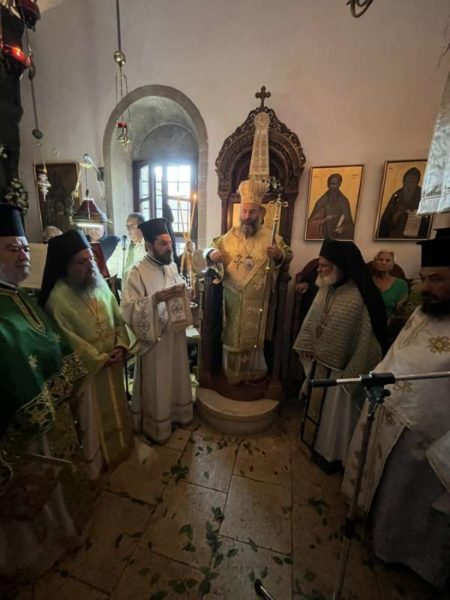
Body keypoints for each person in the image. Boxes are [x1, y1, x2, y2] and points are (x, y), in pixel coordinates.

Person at [343, 228, 450, 589]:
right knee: (385, 489)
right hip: (389, 412)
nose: (426, 288)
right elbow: (397, 352)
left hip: (427, 438)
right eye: (424, 279)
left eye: (437, 279)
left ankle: (398, 554)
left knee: (408, 498)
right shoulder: (423, 311)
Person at [0, 204, 90, 581]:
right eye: (12, 249)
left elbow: (52, 338)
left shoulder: (21, 296)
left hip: (53, 410)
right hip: (22, 429)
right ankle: (30, 556)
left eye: (25, 247)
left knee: (57, 482)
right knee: (31, 495)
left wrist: (67, 377)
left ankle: (63, 530)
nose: (23, 255)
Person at [40, 230, 132, 480]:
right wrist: (99, 359)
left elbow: (118, 320)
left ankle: (119, 449)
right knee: (92, 418)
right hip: (90, 373)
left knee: (116, 407)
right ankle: (96, 464)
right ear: (66, 266)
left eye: (90, 258)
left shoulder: (100, 286)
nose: (90, 265)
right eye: (81, 262)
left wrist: (121, 345)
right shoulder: (57, 299)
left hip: (111, 364)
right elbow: (66, 341)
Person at [293, 239, 388, 472]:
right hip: (319, 363)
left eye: (324, 265)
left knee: (335, 417)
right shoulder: (326, 286)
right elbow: (312, 319)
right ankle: (311, 444)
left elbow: (366, 339)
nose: (319, 269)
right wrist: (307, 344)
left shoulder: (360, 297)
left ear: (340, 267)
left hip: (342, 373)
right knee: (316, 410)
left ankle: (331, 455)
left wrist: (353, 367)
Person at [205, 178, 293, 385]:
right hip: (231, 298)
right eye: (244, 211)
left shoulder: (271, 236)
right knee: (231, 334)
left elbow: (288, 255)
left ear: (261, 213)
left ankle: (252, 374)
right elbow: (210, 247)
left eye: (252, 212)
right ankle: (230, 373)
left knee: (253, 338)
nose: (246, 216)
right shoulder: (230, 235)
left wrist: (278, 255)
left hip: (257, 300)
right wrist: (212, 254)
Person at [121, 217, 193, 443]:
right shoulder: (136, 272)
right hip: (155, 341)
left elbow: (177, 292)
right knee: (158, 382)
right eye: (163, 243)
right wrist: (154, 300)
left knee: (176, 376)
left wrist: (185, 293)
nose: (169, 247)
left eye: (169, 242)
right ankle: (157, 426)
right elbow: (128, 309)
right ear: (149, 245)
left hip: (175, 336)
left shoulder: (171, 266)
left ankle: (177, 415)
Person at [378, 167, 431, 239]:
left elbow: (427, 217)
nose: (409, 184)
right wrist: (396, 215)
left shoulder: (422, 195)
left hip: (413, 234)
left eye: (413, 181)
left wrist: (416, 213)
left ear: (417, 182)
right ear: (404, 180)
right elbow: (386, 218)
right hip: (396, 234)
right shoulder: (397, 195)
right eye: (407, 180)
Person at [306, 173, 354, 240]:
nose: (333, 187)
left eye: (335, 184)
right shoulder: (322, 200)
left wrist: (343, 228)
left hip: (339, 237)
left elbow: (350, 224)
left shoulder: (344, 201)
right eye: (331, 184)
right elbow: (311, 222)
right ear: (328, 185)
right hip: (323, 235)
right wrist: (324, 220)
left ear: (339, 184)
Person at [107, 212, 147, 289]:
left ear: (142, 227)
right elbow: (111, 265)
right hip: (122, 288)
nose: (129, 230)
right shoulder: (122, 244)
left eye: (133, 227)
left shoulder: (148, 246)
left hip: (140, 288)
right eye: (127, 227)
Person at [371, 250, 408, 318]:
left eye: (388, 260)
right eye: (380, 260)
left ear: (393, 264)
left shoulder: (401, 285)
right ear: (375, 263)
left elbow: (400, 310)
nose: (383, 263)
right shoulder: (367, 282)